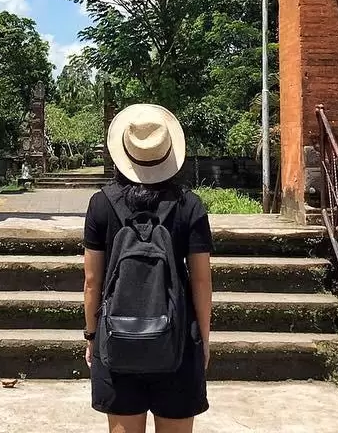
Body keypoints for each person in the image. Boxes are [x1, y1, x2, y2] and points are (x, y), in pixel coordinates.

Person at [83, 104, 213, 433]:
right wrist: (204, 342)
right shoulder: (189, 205)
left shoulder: (101, 204)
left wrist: (91, 336)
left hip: (116, 338)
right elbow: (201, 281)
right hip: (179, 339)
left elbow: (91, 281)